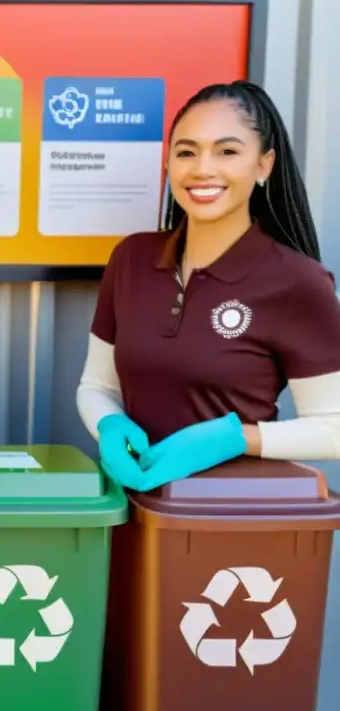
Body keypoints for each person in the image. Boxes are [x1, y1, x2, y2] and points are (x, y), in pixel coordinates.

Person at [76, 79, 340, 493]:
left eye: (227, 151)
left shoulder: (297, 281)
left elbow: (336, 428)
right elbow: (98, 386)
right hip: (132, 506)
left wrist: (236, 438)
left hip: (232, 516)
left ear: (264, 165)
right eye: (186, 152)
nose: (202, 168)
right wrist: (108, 423)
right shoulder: (131, 258)